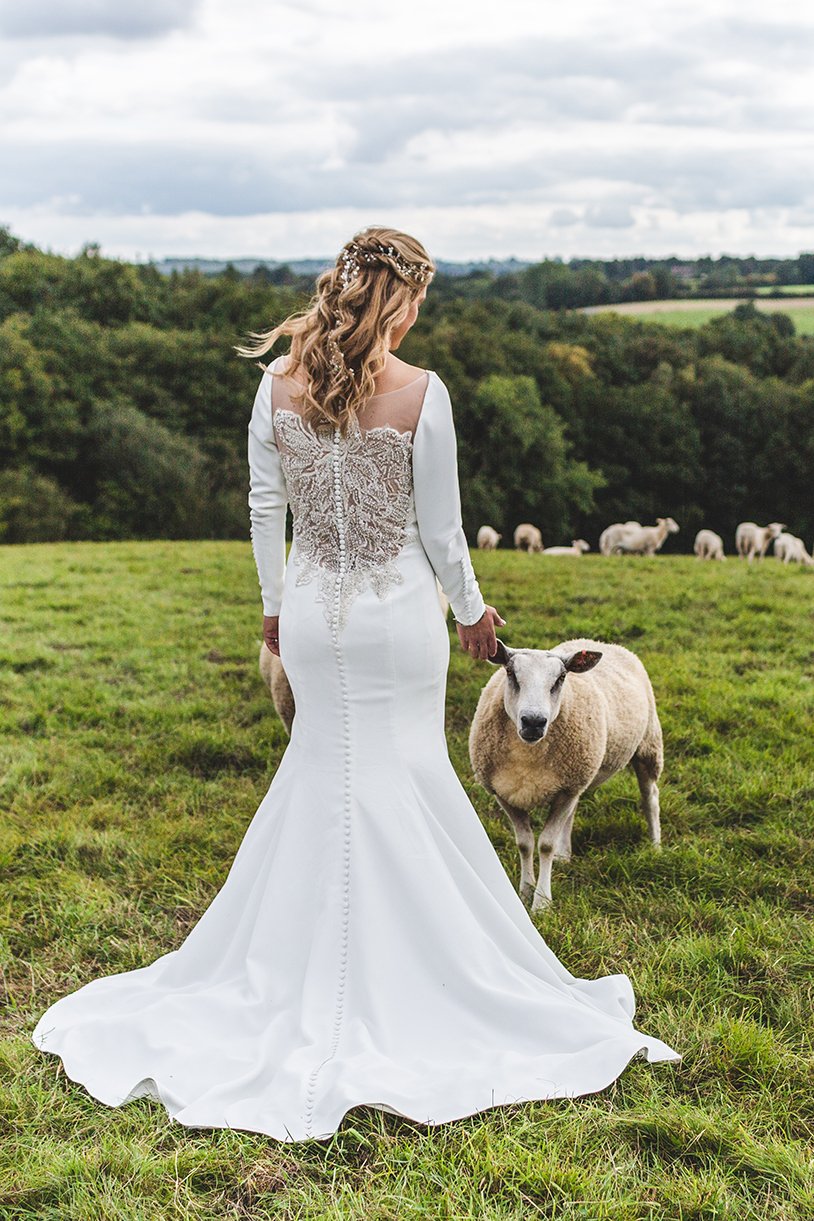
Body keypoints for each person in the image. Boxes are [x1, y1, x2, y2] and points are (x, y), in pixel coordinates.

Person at [31, 226, 679, 1142]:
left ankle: (296, 965)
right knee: (401, 776)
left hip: (309, 611)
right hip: (394, 615)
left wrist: (270, 608)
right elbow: (445, 531)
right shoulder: (422, 393)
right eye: (419, 304)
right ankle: (418, 973)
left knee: (319, 775)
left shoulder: (275, 383)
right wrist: (473, 613)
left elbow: (265, 507)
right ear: (403, 300)